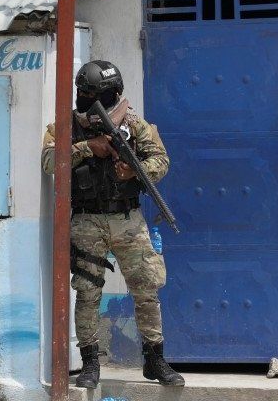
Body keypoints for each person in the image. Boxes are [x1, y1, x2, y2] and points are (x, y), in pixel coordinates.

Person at [41, 60, 184, 388]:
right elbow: (50, 161)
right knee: (88, 292)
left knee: (146, 289)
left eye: (89, 93)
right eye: (81, 91)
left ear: (111, 94)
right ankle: (90, 363)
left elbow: (161, 160)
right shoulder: (65, 126)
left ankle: (154, 359)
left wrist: (134, 171)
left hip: (127, 219)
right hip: (87, 219)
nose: (81, 97)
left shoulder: (133, 123)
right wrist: (87, 148)